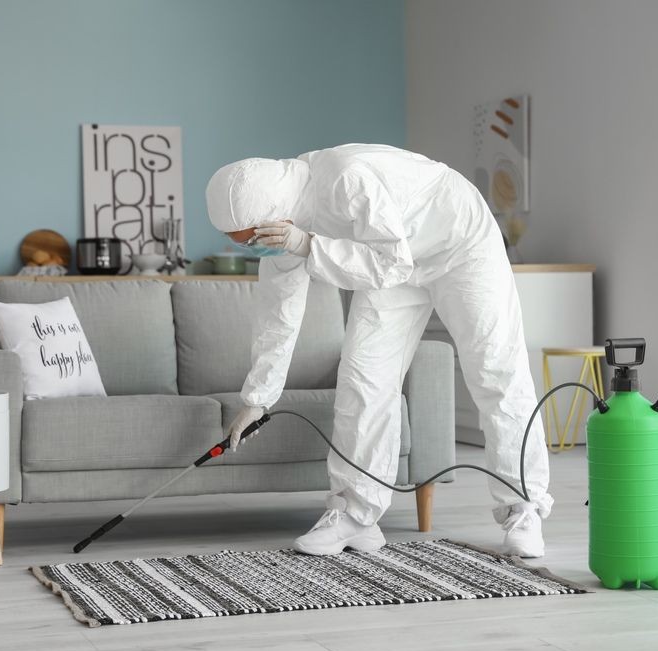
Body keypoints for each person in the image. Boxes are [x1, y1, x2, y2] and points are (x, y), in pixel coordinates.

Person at [205, 144, 551, 558]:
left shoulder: (346, 178)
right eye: (242, 243)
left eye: (250, 240)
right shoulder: (282, 229)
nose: (251, 249)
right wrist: (257, 400)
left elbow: (393, 262)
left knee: (496, 369)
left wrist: (309, 246)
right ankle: (355, 515)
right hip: (391, 261)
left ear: (270, 216)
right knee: (362, 378)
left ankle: (523, 507)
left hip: (458, 243)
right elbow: (278, 315)